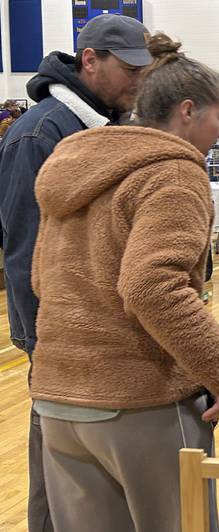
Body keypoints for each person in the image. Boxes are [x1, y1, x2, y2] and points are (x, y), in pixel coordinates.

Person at [30, 34, 219, 532]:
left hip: (58, 400)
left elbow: (42, 278)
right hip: (138, 400)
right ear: (189, 111)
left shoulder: (73, 162)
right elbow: (152, 286)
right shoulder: (172, 172)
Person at [0, 14, 152, 532]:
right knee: (56, 476)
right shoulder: (39, 134)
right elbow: (24, 253)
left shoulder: (101, 127)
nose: (138, 81)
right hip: (59, 337)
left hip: (101, 335)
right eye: (129, 69)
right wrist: (43, 340)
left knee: (91, 483)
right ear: (90, 61)